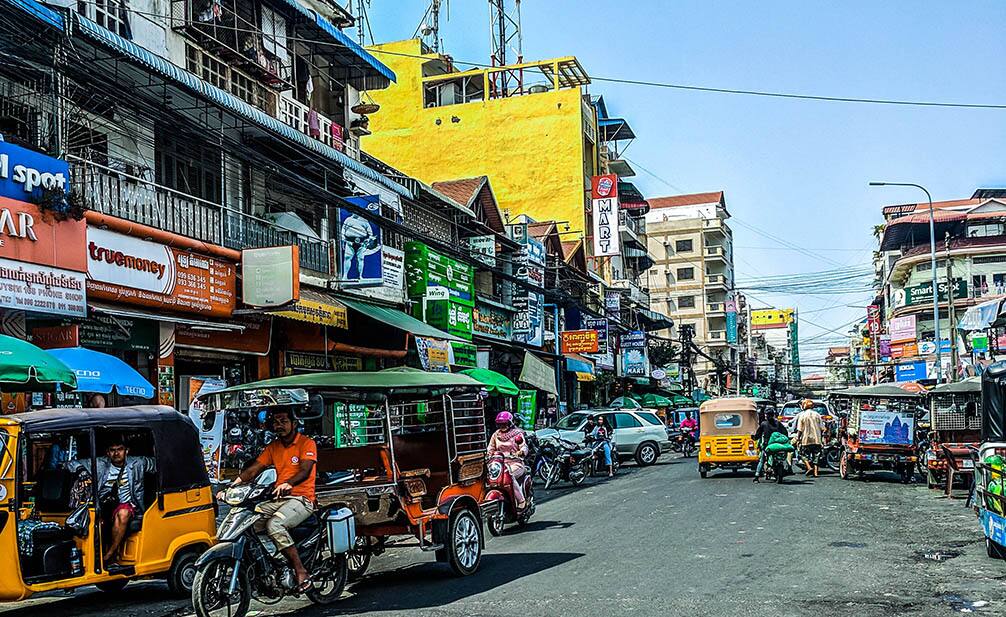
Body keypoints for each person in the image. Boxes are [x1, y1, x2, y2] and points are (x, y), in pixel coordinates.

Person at [224, 409, 317, 591]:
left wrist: (287, 484)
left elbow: (305, 471)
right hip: (278, 499)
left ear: (294, 423)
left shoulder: (307, 443)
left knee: (275, 525)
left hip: (302, 499)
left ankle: (300, 570)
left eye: (283, 420)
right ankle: (266, 566)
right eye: (276, 422)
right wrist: (231, 488)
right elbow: (253, 471)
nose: (279, 425)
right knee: (246, 524)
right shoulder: (273, 447)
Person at [68, 436, 155, 565]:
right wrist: (81, 470)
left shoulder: (138, 463)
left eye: (120, 449)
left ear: (126, 451)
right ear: (108, 452)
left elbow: (159, 463)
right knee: (91, 521)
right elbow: (70, 463)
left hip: (127, 505)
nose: (116, 453)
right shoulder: (100, 463)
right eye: (112, 450)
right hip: (103, 504)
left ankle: (109, 555)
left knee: (123, 513)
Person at [487, 411, 528, 509]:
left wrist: (521, 452)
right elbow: (490, 448)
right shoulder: (495, 435)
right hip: (499, 465)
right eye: (500, 424)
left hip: (515, 463)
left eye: (504, 423)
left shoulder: (517, 434)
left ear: (510, 423)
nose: (502, 426)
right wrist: (488, 455)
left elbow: (524, 446)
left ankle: (521, 501)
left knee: (509, 476)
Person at [752, 409, 788, 483]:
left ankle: (756, 476)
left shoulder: (764, 424)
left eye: (766, 414)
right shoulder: (778, 423)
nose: (765, 416)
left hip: (767, 445)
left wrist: (754, 438)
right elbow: (785, 432)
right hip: (778, 445)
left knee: (762, 460)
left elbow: (758, 434)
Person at [794, 399, 824, 477]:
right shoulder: (817, 415)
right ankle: (816, 473)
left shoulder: (802, 415)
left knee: (803, 454)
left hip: (806, 439)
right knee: (816, 455)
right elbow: (822, 428)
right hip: (817, 439)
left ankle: (809, 467)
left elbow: (800, 430)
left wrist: (798, 438)